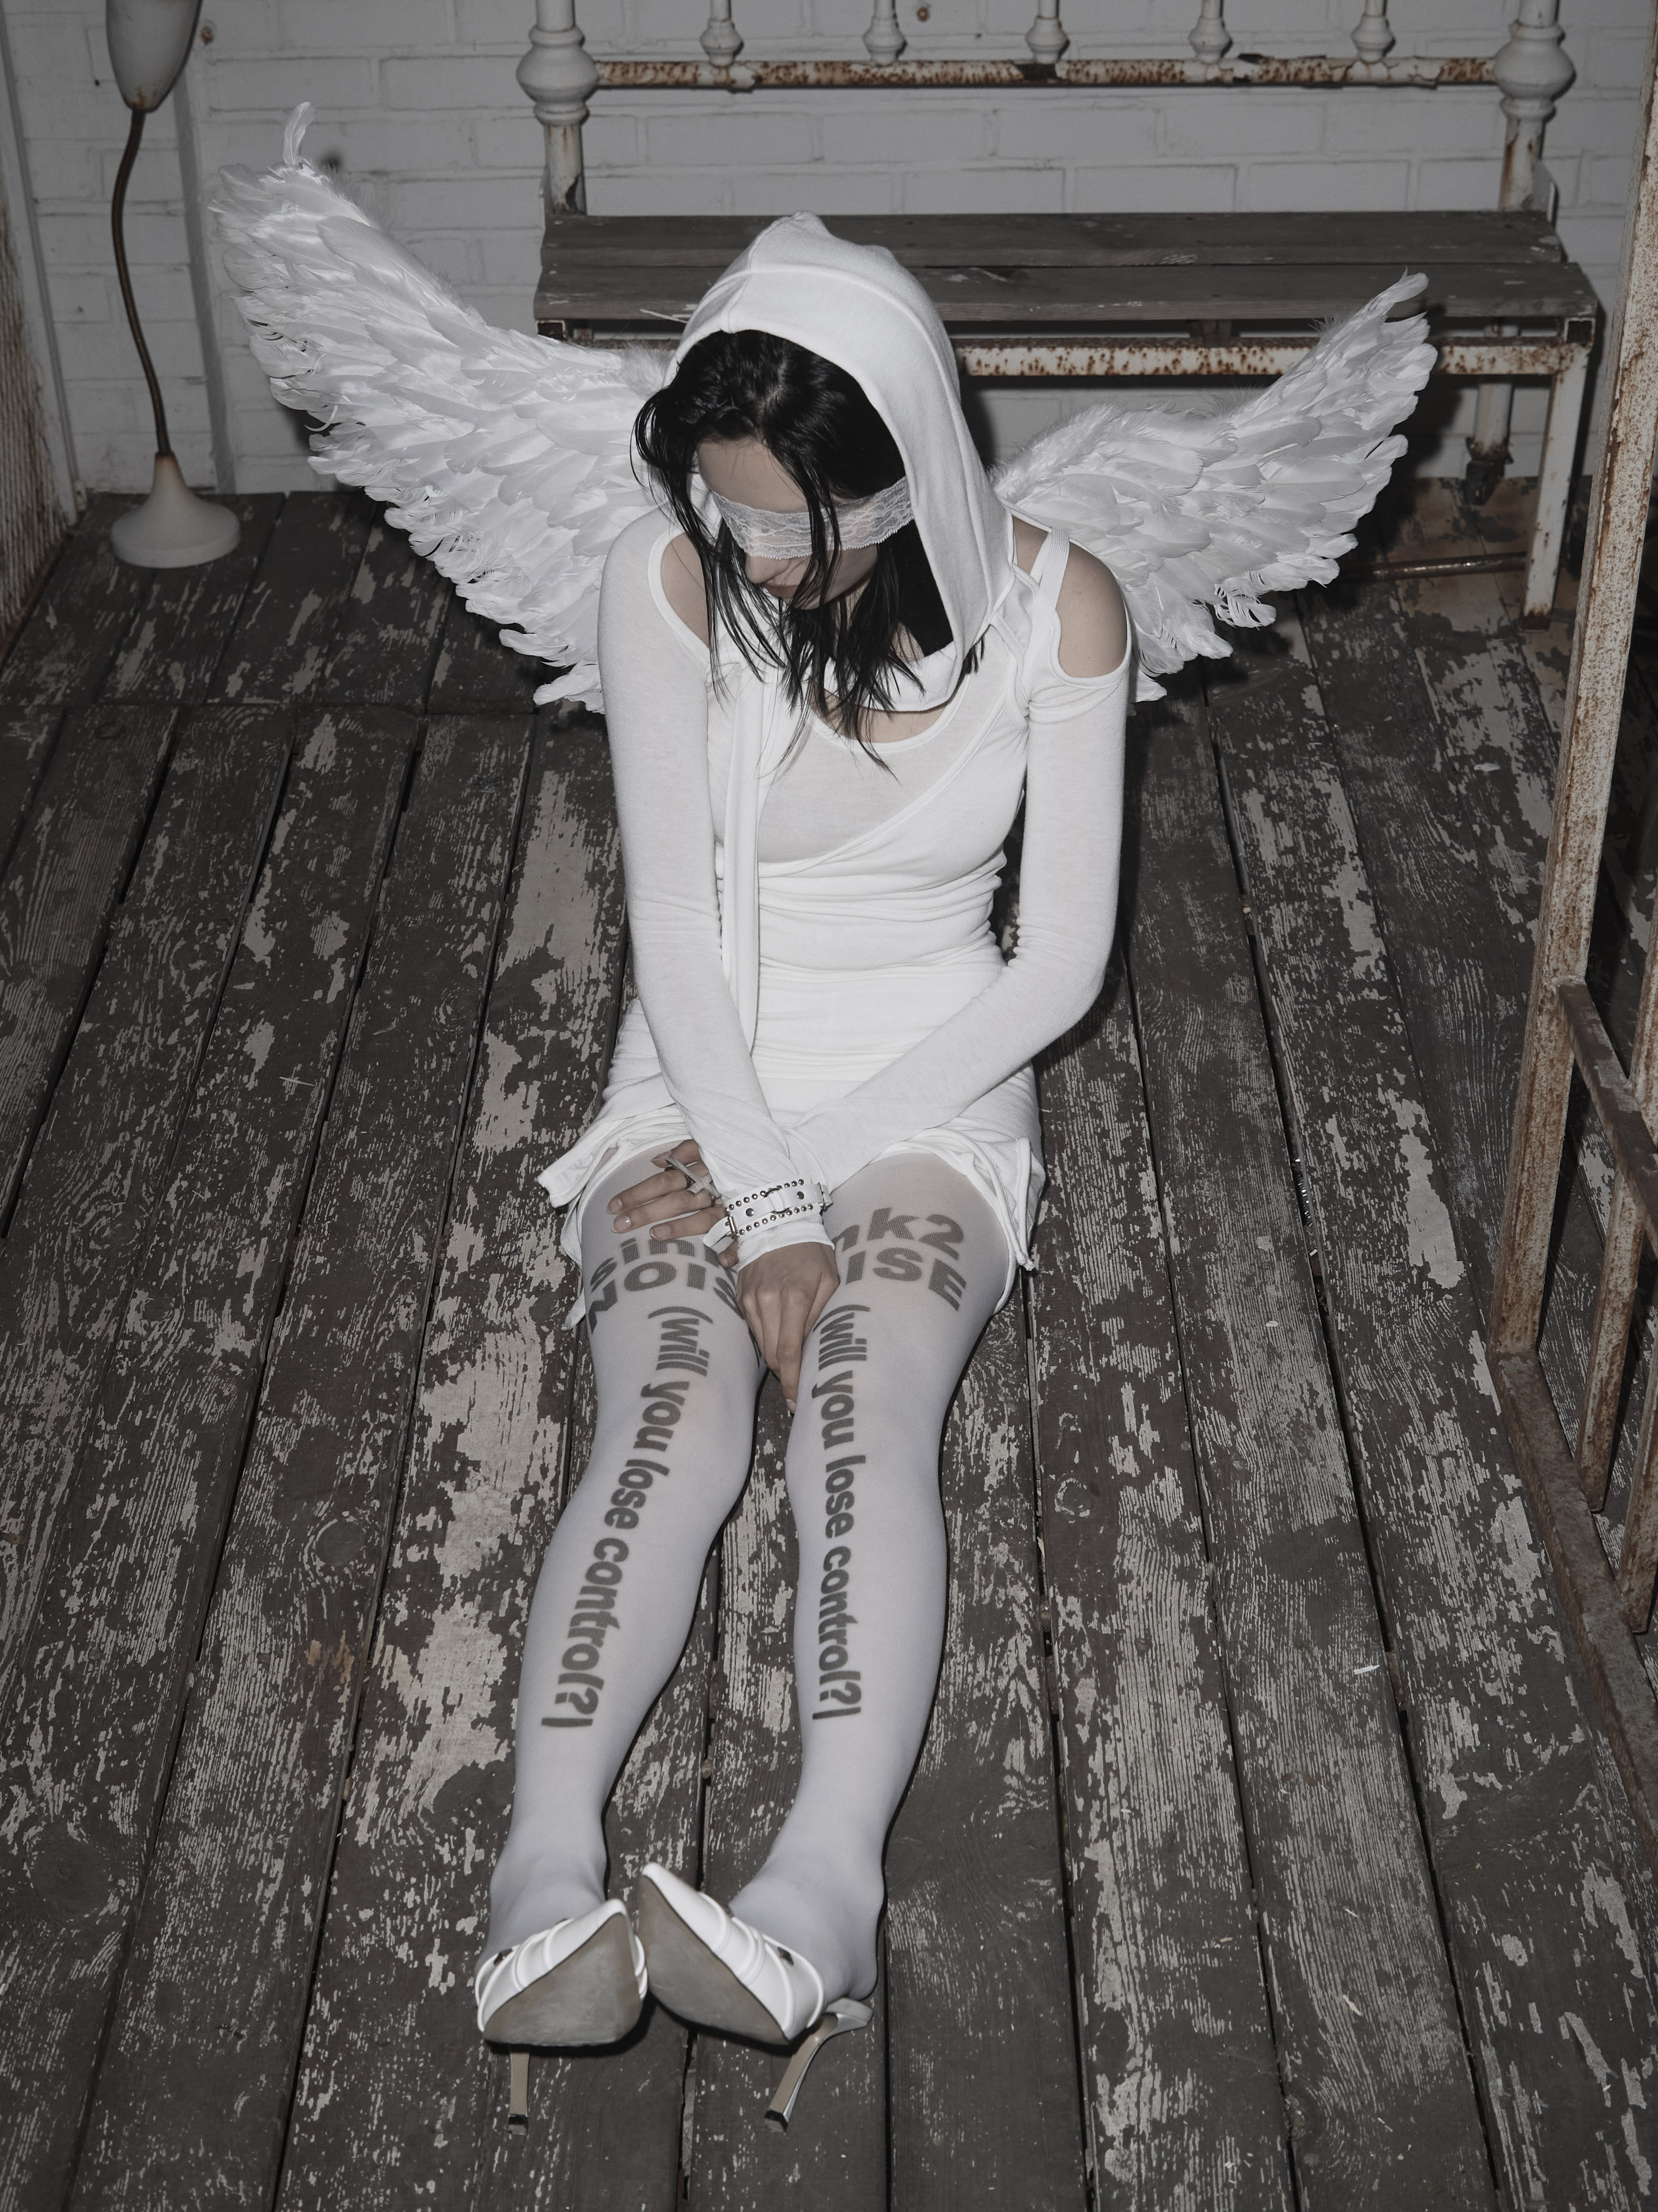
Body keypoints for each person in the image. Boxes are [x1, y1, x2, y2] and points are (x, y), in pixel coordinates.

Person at [469, 217, 1131, 2106]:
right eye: (731, 512)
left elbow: (1058, 968)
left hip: (937, 1078)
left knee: (859, 1404)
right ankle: (539, 1880)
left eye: (799, 526)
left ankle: (819, 1895)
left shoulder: (1064, 613)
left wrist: (810, 1188)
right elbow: (675, 931)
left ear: (909, 473)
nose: (758, 558)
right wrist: (755, 1189)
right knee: (669, 1412)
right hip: (698, 1078)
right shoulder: (667, 577)